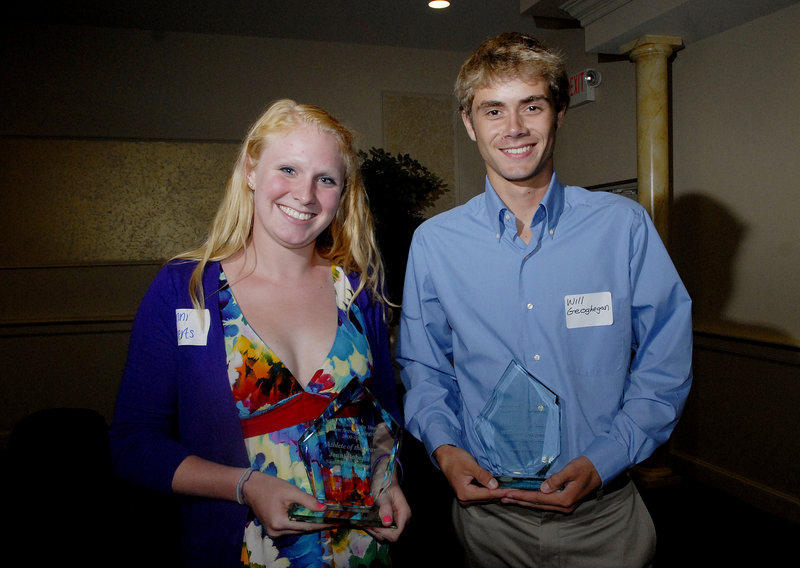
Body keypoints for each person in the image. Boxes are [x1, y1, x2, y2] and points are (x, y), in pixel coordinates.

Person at [397, 32, 692, 567]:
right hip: (489, 524)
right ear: (469, 123)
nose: (513, 129)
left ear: (558, 113)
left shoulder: (622, 228)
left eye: (531, 106)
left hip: (606, 522)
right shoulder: (435, 244)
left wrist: (609, 457)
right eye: (493, 110)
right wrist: (445, 449)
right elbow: (423, 368)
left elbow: (665, 360)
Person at [110, 99, 410, 568]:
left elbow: (384, 419)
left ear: (342, 192)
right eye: (288, 169)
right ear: (250, 169)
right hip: (238, 551)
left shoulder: (359, 291)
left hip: (358, 552)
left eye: (325, 179)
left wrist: (385, 481)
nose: (306, 195)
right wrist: (246, 485)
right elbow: (133, 442)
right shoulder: (186, 287)